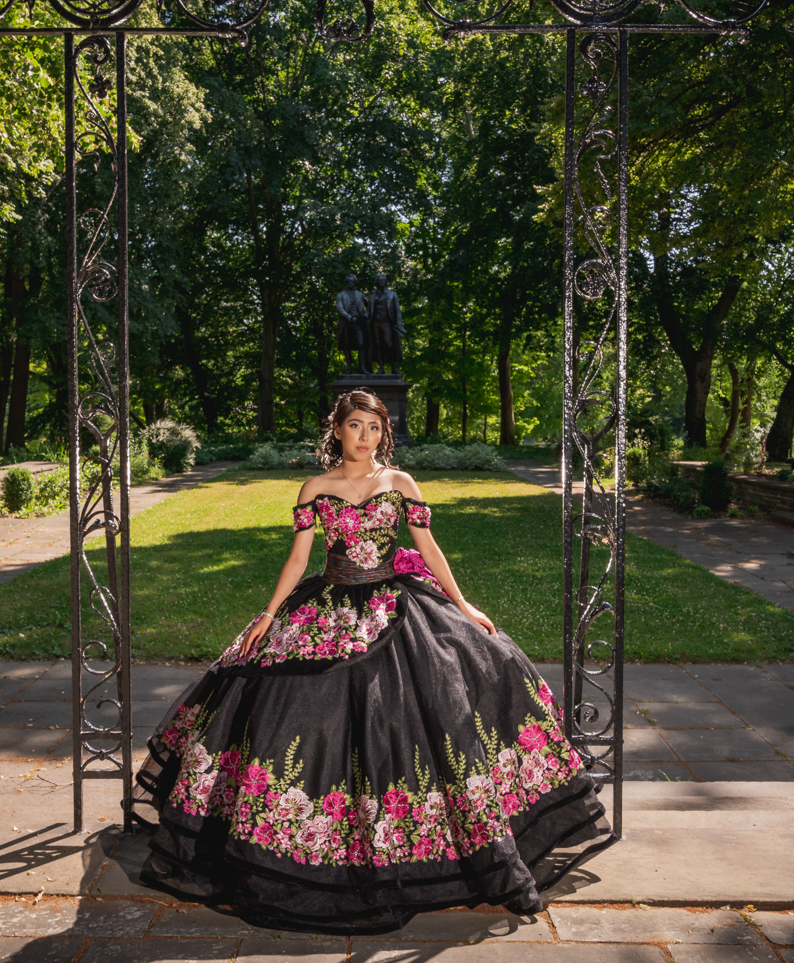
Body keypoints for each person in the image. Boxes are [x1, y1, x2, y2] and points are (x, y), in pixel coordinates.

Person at [132, 390, 611, 934]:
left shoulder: (399, 483)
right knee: (292, 712)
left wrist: (462, 604)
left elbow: (429, 550)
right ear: (336, 430)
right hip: (330, 605)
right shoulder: (316, 488)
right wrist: (268, 614)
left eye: (375, 427)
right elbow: (299, 557)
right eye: (355, 426)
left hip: (395, 602)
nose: (366, 436)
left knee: (461, 684)